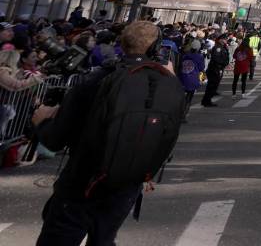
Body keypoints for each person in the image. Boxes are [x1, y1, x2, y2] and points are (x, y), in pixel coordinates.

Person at [31, 21, 184, 246]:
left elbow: (55, 140)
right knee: (103, 238)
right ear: (156, 48)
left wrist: (41, 121)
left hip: (83, 179)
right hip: (129, 182)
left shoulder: (98, 79)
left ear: (122, 42)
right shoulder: (166, 83)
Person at [178, 39, 206, 117]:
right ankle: (183, 115)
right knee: (189, 98)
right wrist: (203, 79)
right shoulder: (199, 57)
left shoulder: (184, 56)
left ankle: (179, 112)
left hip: (182, 78)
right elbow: (201, 69)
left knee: (181, 97)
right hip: (192, 79)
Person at [200, 34, 229, 107]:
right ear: (220, 40)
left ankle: (206, 100)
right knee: (212, 86)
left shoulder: (223, 47)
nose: (226, 40)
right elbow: (216, 59)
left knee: (214, 86)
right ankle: (206, 101)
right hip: (215, 69)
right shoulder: (217, 48)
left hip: (219, 69)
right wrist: (223, 63)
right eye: (225, 39)